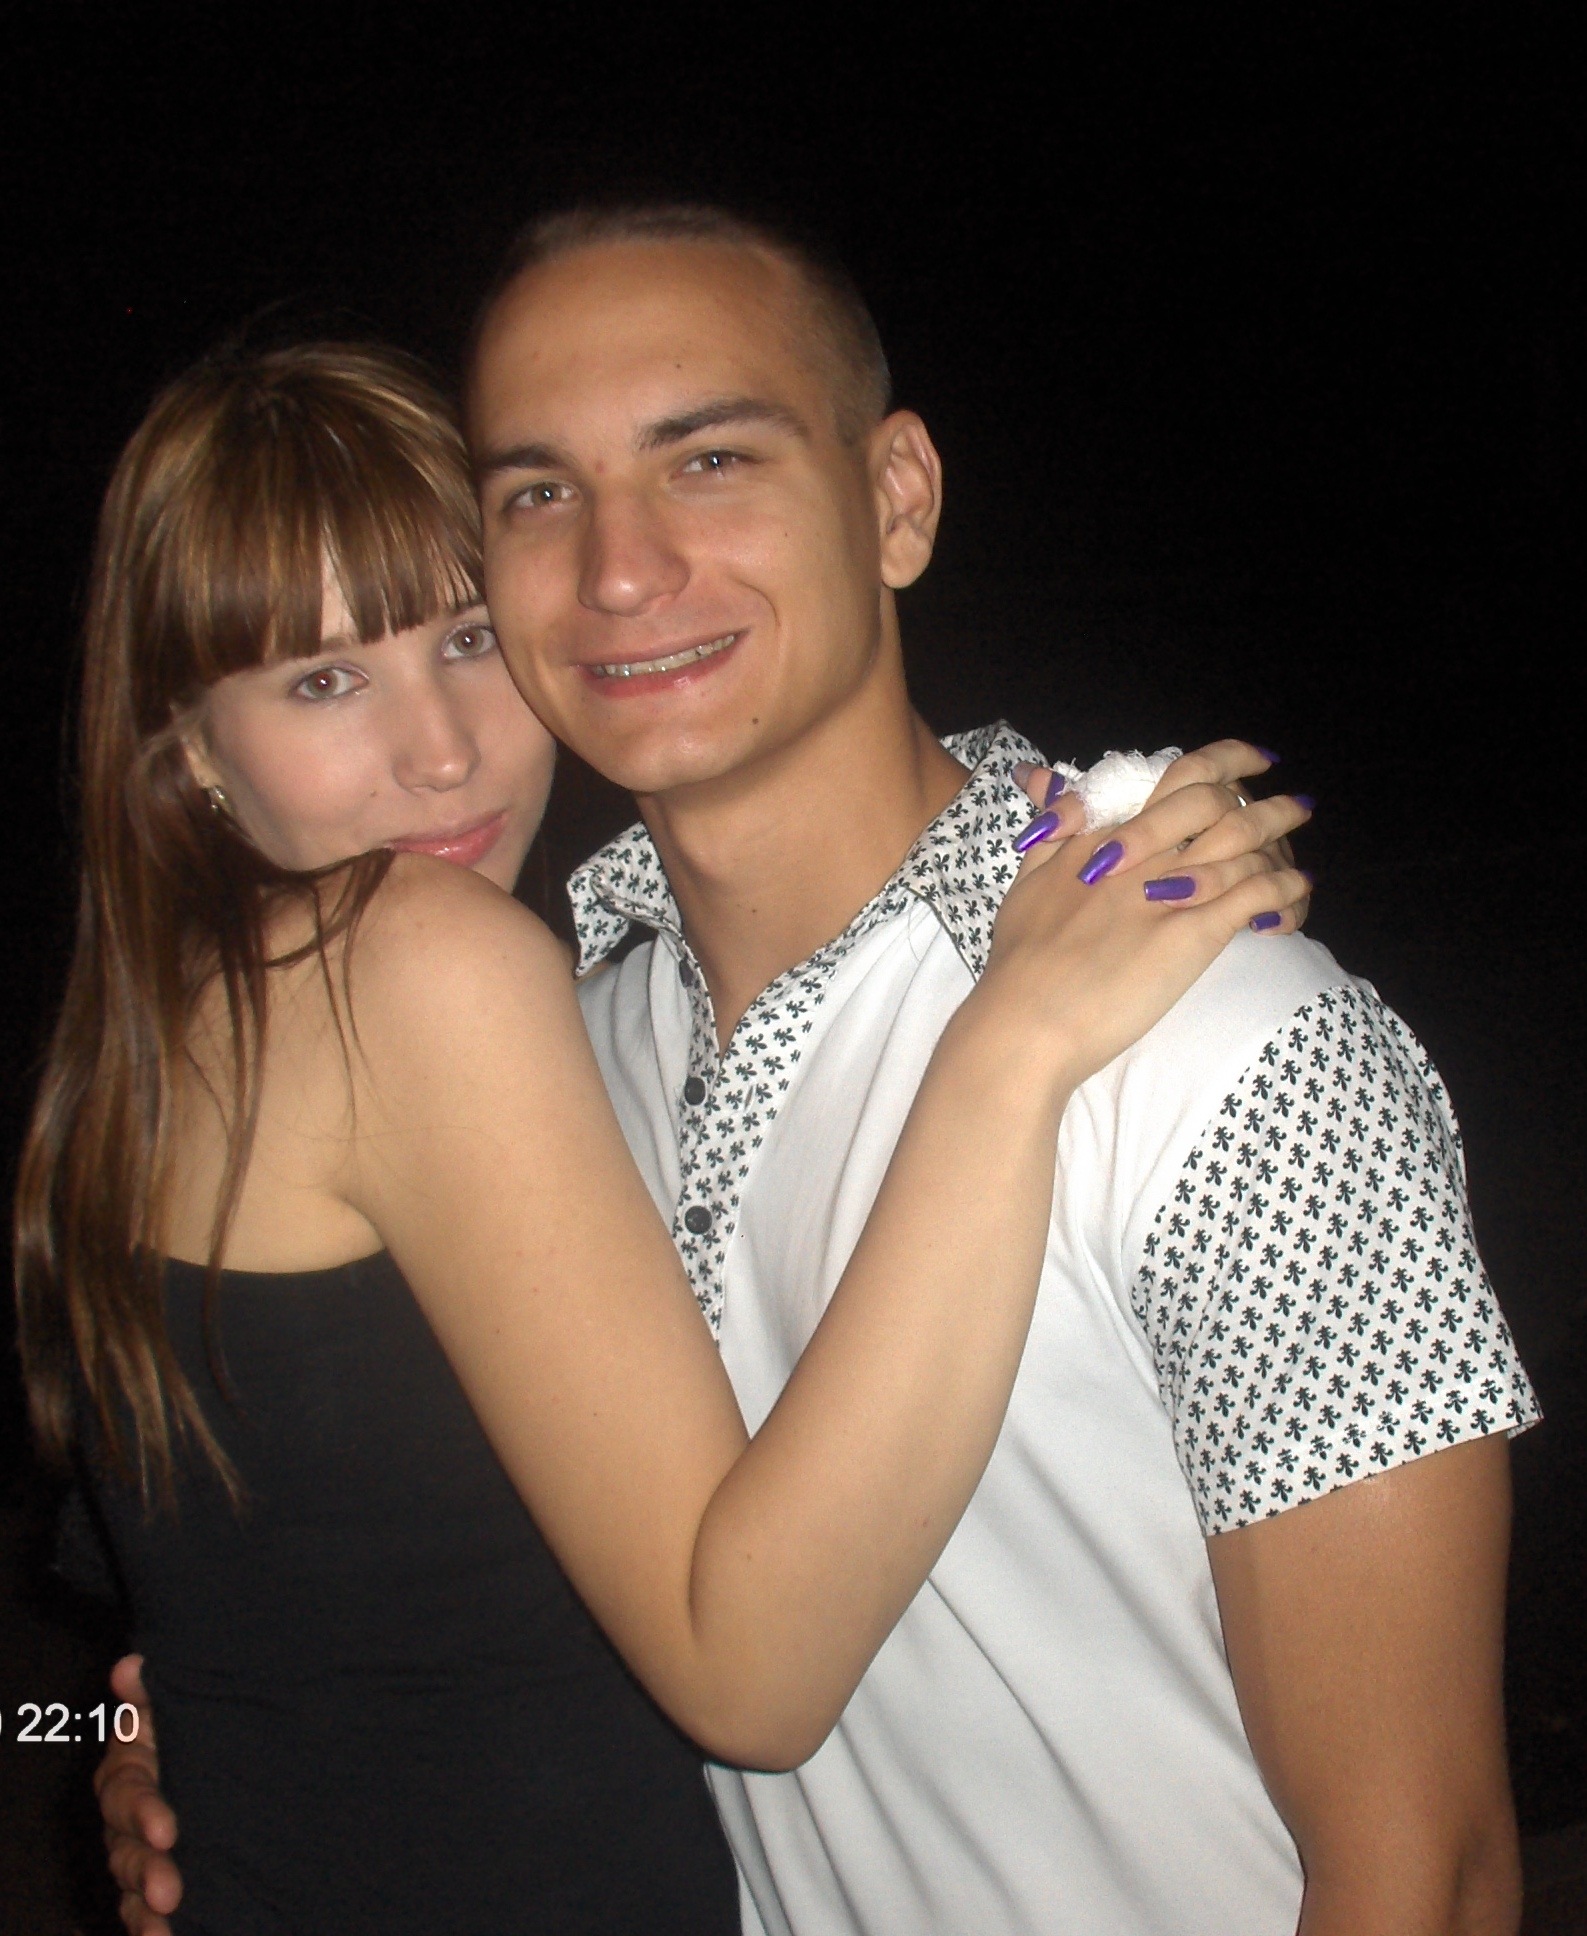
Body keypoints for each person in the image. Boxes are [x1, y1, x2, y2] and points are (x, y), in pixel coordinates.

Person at [96, 203, 1536, 1933]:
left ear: (896, 500)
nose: (620, 569)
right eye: (538, 493)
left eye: (709, 460)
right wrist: (173, 1737)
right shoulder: (573, 1056)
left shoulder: (1223, 1040)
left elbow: (1429, 1871)